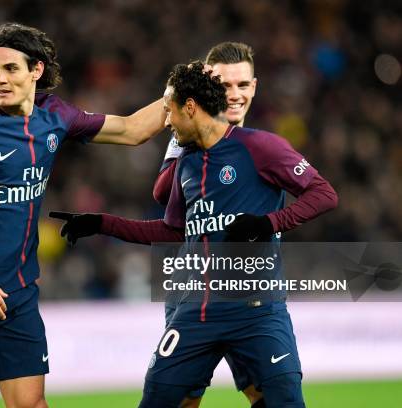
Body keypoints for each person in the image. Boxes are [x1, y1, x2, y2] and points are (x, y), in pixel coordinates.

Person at [50, 61, 338, 407]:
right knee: (156, 399)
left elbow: (324, 195)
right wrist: (100, 223)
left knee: (284, 401)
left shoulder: (260, 146)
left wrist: (270, 223)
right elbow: (174, 232)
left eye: (169, 112)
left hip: (257, 311)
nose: (166, 122)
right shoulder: (185, 165)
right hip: (197, 313)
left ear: (190, 107)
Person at [0, 22, 165, 408]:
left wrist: (181, 91)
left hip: (19, 293)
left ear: (36, 71)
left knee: (32, 404)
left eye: (11, 69)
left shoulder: (56, 115)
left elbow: (131, 130)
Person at [157, 42, 263, 408]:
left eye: (242, 85)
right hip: (194, 287)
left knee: (264, 392)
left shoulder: (262, 147)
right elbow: (162, 196)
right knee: (183, 400)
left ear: (254, 86)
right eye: (223, 85)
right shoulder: (186, 140)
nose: (233, 94)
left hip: (249, 289)